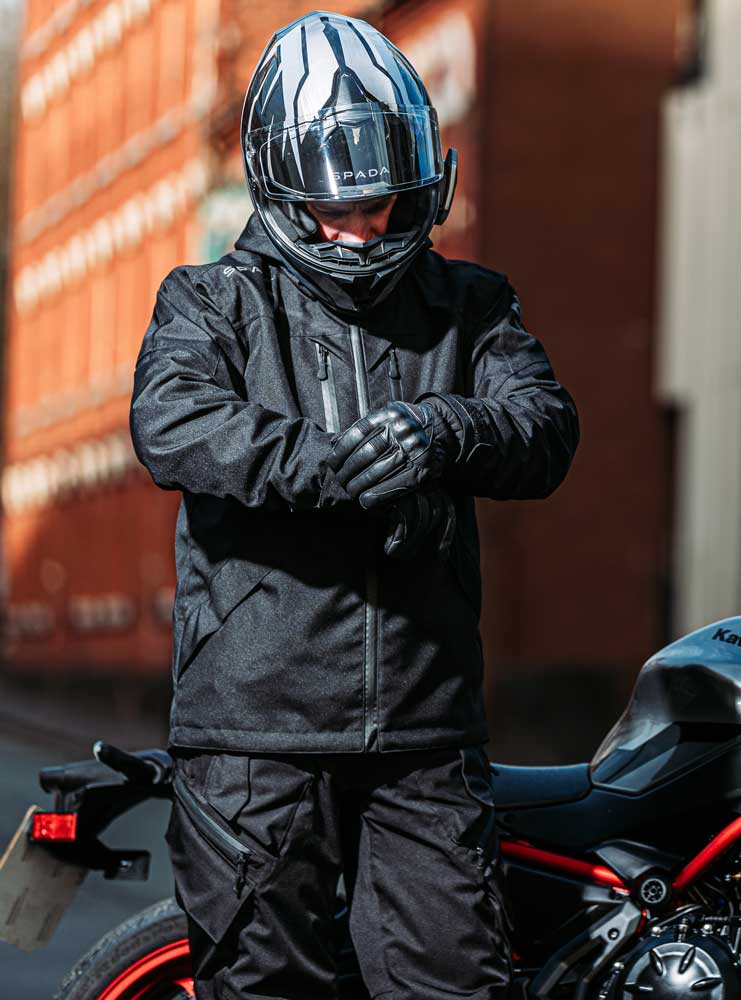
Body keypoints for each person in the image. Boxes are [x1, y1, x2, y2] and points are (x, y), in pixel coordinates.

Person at [128, 10, 579, 1000]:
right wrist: (343, 465)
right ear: (279, 191)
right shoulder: (206, 302)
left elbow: (544, 428)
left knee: (459, 987)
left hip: (424, 737)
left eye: (381, 206)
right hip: (255, 738)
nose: (362, 229)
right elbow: (175, 424)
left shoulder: (472, 304)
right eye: (336, 210)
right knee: (268, 987)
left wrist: (440, 433)